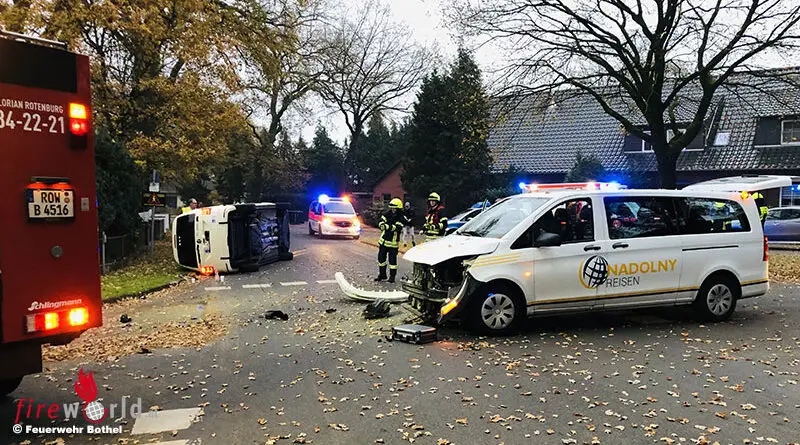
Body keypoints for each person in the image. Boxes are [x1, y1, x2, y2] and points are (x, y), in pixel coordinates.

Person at [375, 198, 405, 283]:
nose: (393, 209)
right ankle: (382, 275)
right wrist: (381, 224)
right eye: (392, 207)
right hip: (383, 241)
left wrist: (387, 226)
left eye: (394, 208)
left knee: (392, 262)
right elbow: (381, 220)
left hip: (393, 243)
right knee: (381, 259)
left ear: (398, 209)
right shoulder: (387, 214)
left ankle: (392, 277)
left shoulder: (401, 217)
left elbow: (398, 227)